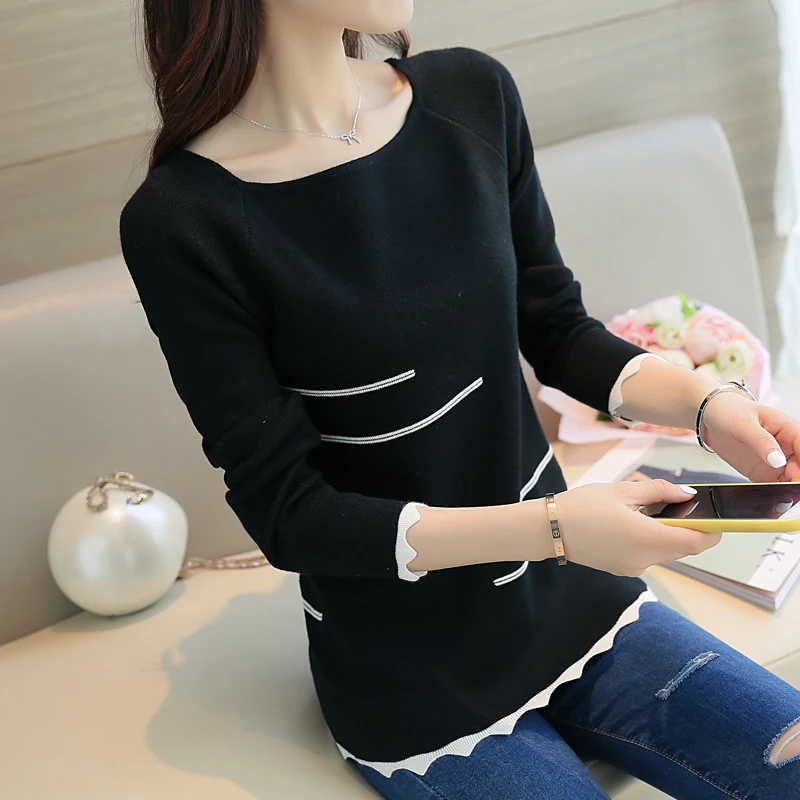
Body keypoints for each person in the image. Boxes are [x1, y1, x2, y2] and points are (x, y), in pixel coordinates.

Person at [118, 1, 800, 797]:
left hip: (575, 600)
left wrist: (711, 406)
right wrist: (554, 528)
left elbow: (557, 330)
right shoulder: (182, 221)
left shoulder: (472, 96)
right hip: (410, 679)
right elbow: (290, 515)